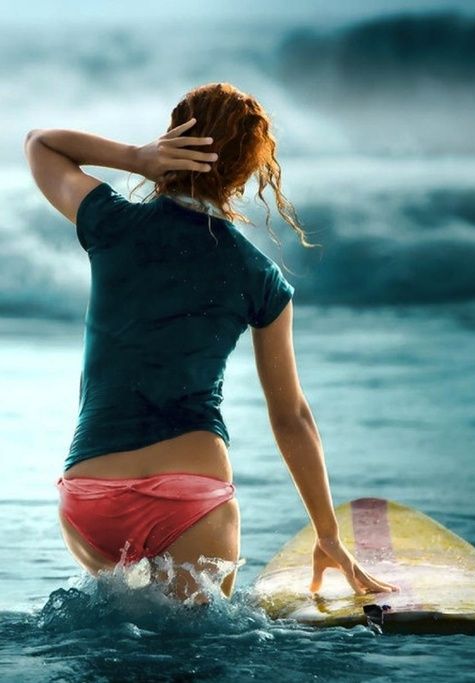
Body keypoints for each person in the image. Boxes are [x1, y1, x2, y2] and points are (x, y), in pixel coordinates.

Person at [24, 82, 398, 605]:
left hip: (91, 499)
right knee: (200, 652)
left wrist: (135, 158)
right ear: (247, 170)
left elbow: (41, 143)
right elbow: (291, 416)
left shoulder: (112, 223)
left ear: (174, 137)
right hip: (192, 500)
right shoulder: (258, 275)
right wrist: (328, 535)